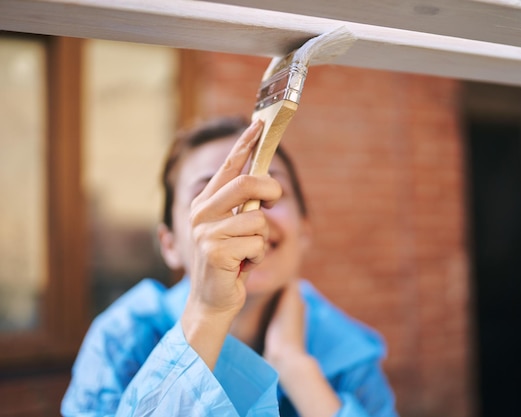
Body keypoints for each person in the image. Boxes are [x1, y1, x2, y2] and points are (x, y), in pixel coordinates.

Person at [61, 116, 398, 416]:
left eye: (269, 191)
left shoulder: (348, 350)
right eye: (212, 194)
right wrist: (207, 313)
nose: (247, 211)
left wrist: (297, 369)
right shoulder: (121, 341)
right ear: (170, 244)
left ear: (305, 229)